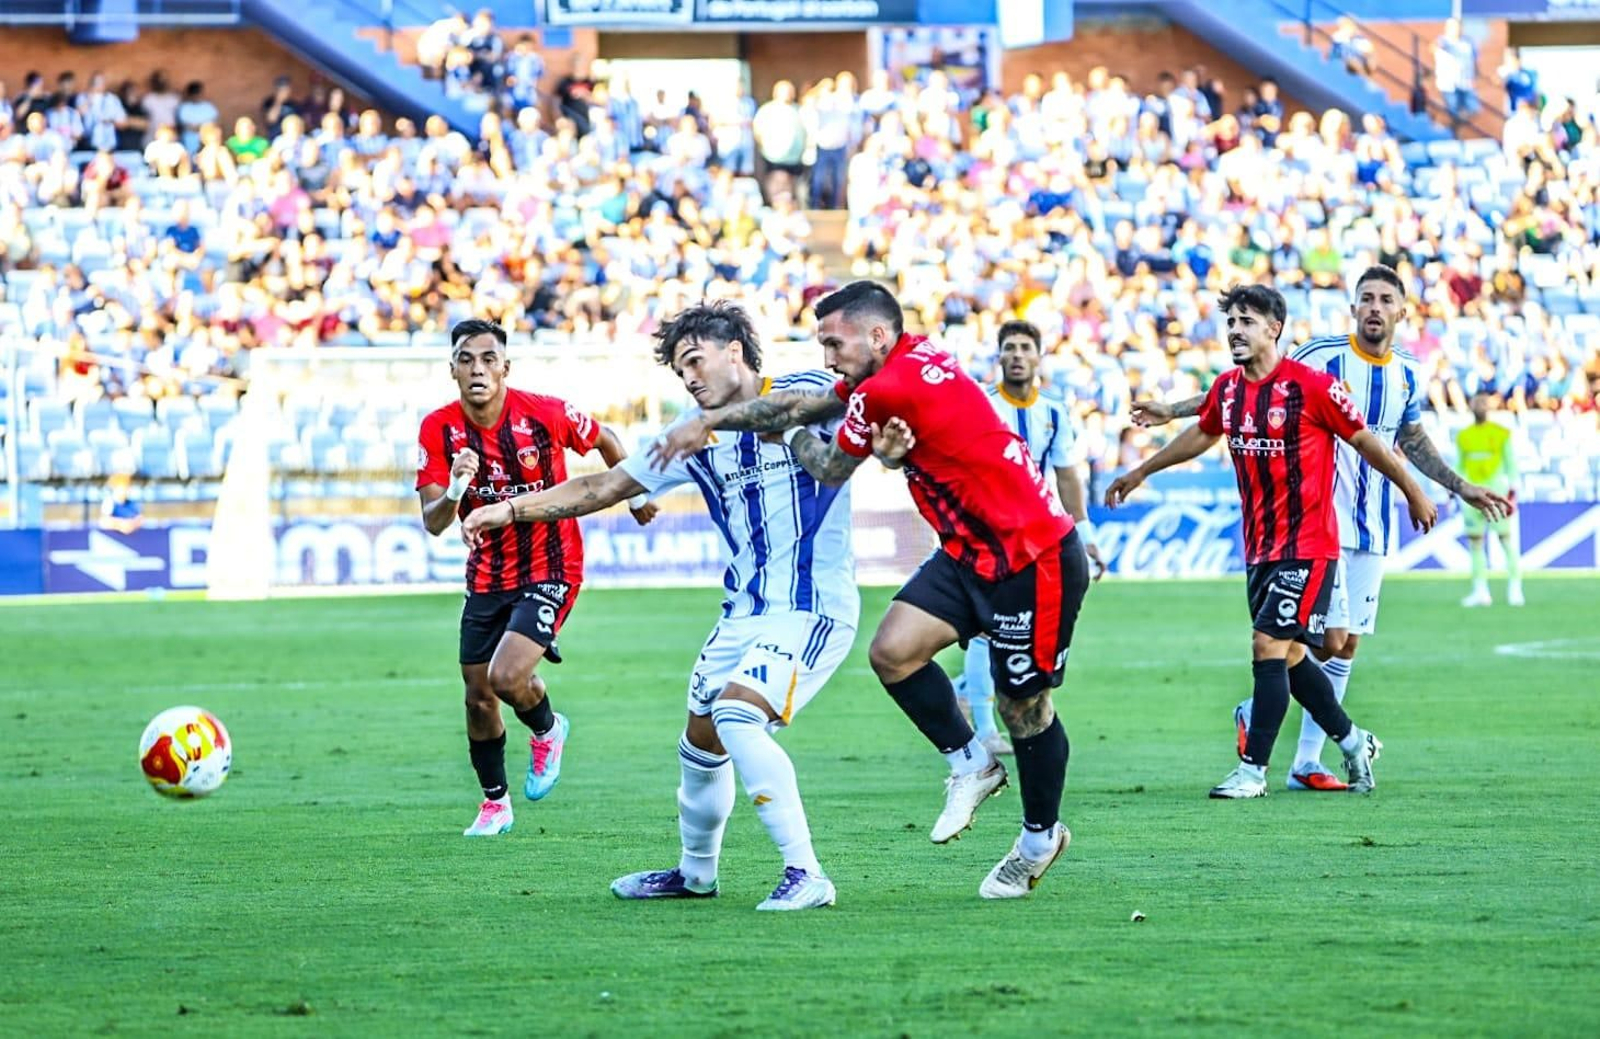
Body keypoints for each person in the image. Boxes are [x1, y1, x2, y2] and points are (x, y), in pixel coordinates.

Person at [651, 281, 1092, 900]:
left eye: (835, 342)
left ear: (876, 335)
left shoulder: (887, 387)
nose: (827, 354)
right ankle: (971, 764)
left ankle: (1039, 839)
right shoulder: (907, 362)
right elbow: (811, 408)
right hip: (969, 551)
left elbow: (825, 459)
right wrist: (714, 421)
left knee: (1025, 708)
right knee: (893, 653)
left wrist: (781, 435)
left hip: (1033, 554)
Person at [463, 302, 856, 911]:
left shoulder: (802, 389)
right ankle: (695, 874)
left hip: (812, 605)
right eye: (680, 369)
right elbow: (603, 486)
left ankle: (806, 873)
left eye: (696, 360)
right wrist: (511, 508)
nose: (690, 377)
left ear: (736, 352)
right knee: (700, 741)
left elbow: (829, 403)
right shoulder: (690, 433)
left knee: (737, 716)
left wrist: (720, 420)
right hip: (744, 611)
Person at [1132, 267, 1510, 791]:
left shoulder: (1406, 372)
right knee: (1291, 644)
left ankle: (1315, 750)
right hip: (1316, 520)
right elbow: (1245, 385)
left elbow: (1412, 439)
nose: (1374, 307)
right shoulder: (1319, 358)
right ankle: (1286, 743)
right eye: (1365, 299)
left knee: (1338, 644)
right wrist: (1172, 411)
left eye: (1385, 300)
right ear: (1353, 308)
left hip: (1370, 525)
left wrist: (1457, 487)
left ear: (1403, 311)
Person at [416, 319, 656, 837]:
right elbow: (433, 522)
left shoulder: (544, 413)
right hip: (486, 572)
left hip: (552, 564)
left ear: (505, 367)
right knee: (478, 696)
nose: (477, 368)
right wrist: (456, 489)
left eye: (487, 358)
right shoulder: (438, 428)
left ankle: (547, 728)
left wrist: (635, 497)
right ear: (452, 369)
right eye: (465, 358)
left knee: (506, 679)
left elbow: (608, 440)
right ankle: (495, 804)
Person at [955, 320, 1104, 757]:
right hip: (986, 531)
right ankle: (984, 729)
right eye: (1009, 348)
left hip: (1038, 537)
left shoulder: (1054, 411)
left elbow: (1067, 475)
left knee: (1021, 628)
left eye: (1025, 347)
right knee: (988, 629)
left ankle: (962, 690)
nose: (1017, 355)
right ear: (998, 356)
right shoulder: (980, 405)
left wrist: (1085, 533)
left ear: (1039, 357)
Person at [1457, 392, 1523, 607]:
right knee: (1476, 543)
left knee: (1505, 539)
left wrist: (1513, 490)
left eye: (1483, 404)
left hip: (1496, 494)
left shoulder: (1501, 433)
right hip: (1471, 495)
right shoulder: (1464, 436)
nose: (1480, 407)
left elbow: (1510, 463)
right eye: (1477, 404)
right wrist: (1454, 490)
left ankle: (1515, 587)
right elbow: (1459, 465)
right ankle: (1480, 591)